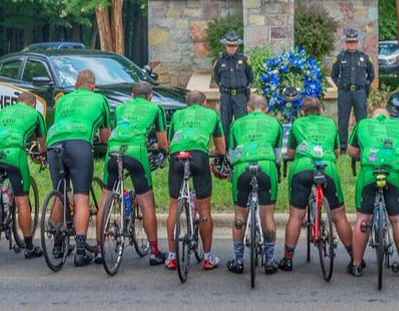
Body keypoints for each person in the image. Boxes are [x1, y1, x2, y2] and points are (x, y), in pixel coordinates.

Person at [278, 97, 354, 272]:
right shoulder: (330, 124)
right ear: (321, 111)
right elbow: (336, 152)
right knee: (339, 216)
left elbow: (290, 153)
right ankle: (355, 257)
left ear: (302, 112)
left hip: (303, 167)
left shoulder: (297, 124)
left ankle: (288, 258)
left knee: (296, 216)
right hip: (327, 168)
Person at [97, 81, 168, 266]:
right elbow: (163, 143)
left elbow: (112, 131)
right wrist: (158, 149)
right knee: (146, 202)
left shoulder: (120, 109)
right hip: (136, 150)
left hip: (113, 149)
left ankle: (99, 249)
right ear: (150, 96)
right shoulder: (155, 108)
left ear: (132, 96)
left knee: (106, 197)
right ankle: (154, 251)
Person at [46, 69, 111, 267]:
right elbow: (107, 136)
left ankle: (58, 244)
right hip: (79, 144)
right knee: (81, 198)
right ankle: (81, 252)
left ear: (76, 85)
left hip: (55, 144)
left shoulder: (62, 100)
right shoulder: (100, 100)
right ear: (93, 87)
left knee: (60, 193)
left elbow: (59, 123)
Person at [347, 108, 399, 278]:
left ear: (373, 117)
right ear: (388, 117)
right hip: (393, 174)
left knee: (363, 218)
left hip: (370, 173)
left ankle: (356, 265)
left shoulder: (363, 124)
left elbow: (351, 151)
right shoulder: (398, 125)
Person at [164, 91, 226, 271]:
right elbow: (221, 149)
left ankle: (172, 257)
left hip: (178, 155)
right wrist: (214, 152)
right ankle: (207, 257)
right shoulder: (212, 114)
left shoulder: (177, 115)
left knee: (174, 205)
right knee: (204, 206)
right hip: (199, 156)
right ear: (205, 103)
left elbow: (169, 142)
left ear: (186, 104)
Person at [0, 91, 46, 259]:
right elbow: (43, 144)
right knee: (22, 200)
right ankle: (30, 246)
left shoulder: (3, 111)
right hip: (14, 154)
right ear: (33, 104)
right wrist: (42, 155)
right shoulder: (35, 114)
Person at [227, 95, 283, 275]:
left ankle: (238, 260)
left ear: (248, 109)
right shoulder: (275, 124)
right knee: (268, 214)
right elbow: (278, 157)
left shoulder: (237, 124)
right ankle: (269, 261)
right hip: (266, 165)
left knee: (239, 214)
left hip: (242, 164)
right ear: (266, 109)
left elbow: (230, 155)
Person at [332, 28, 375, 147]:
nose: (352, 44)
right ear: (346, 43)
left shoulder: (364, 57)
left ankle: (361, 145)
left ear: (357, 43)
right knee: (343, 121)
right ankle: (343, 146)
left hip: (359, 93)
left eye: (354, 42)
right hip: (345, 93)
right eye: (349, 42)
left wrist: (365, 84)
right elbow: (334, 75)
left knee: (362, 121)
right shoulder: (340, 58)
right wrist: (340, 85)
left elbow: (371, 74)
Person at [214, 31, 252, 140]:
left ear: (237, 46)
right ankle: (225, 149)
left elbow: (250, 78)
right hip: (226, 96)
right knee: (225, 123)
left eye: (234, 46)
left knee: (242, 123)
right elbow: (217, 77)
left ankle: (241, 145)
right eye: (229, 46)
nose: (231, 48)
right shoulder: (220, 61)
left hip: (240, 96)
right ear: (225, 45)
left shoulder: (244, 60)